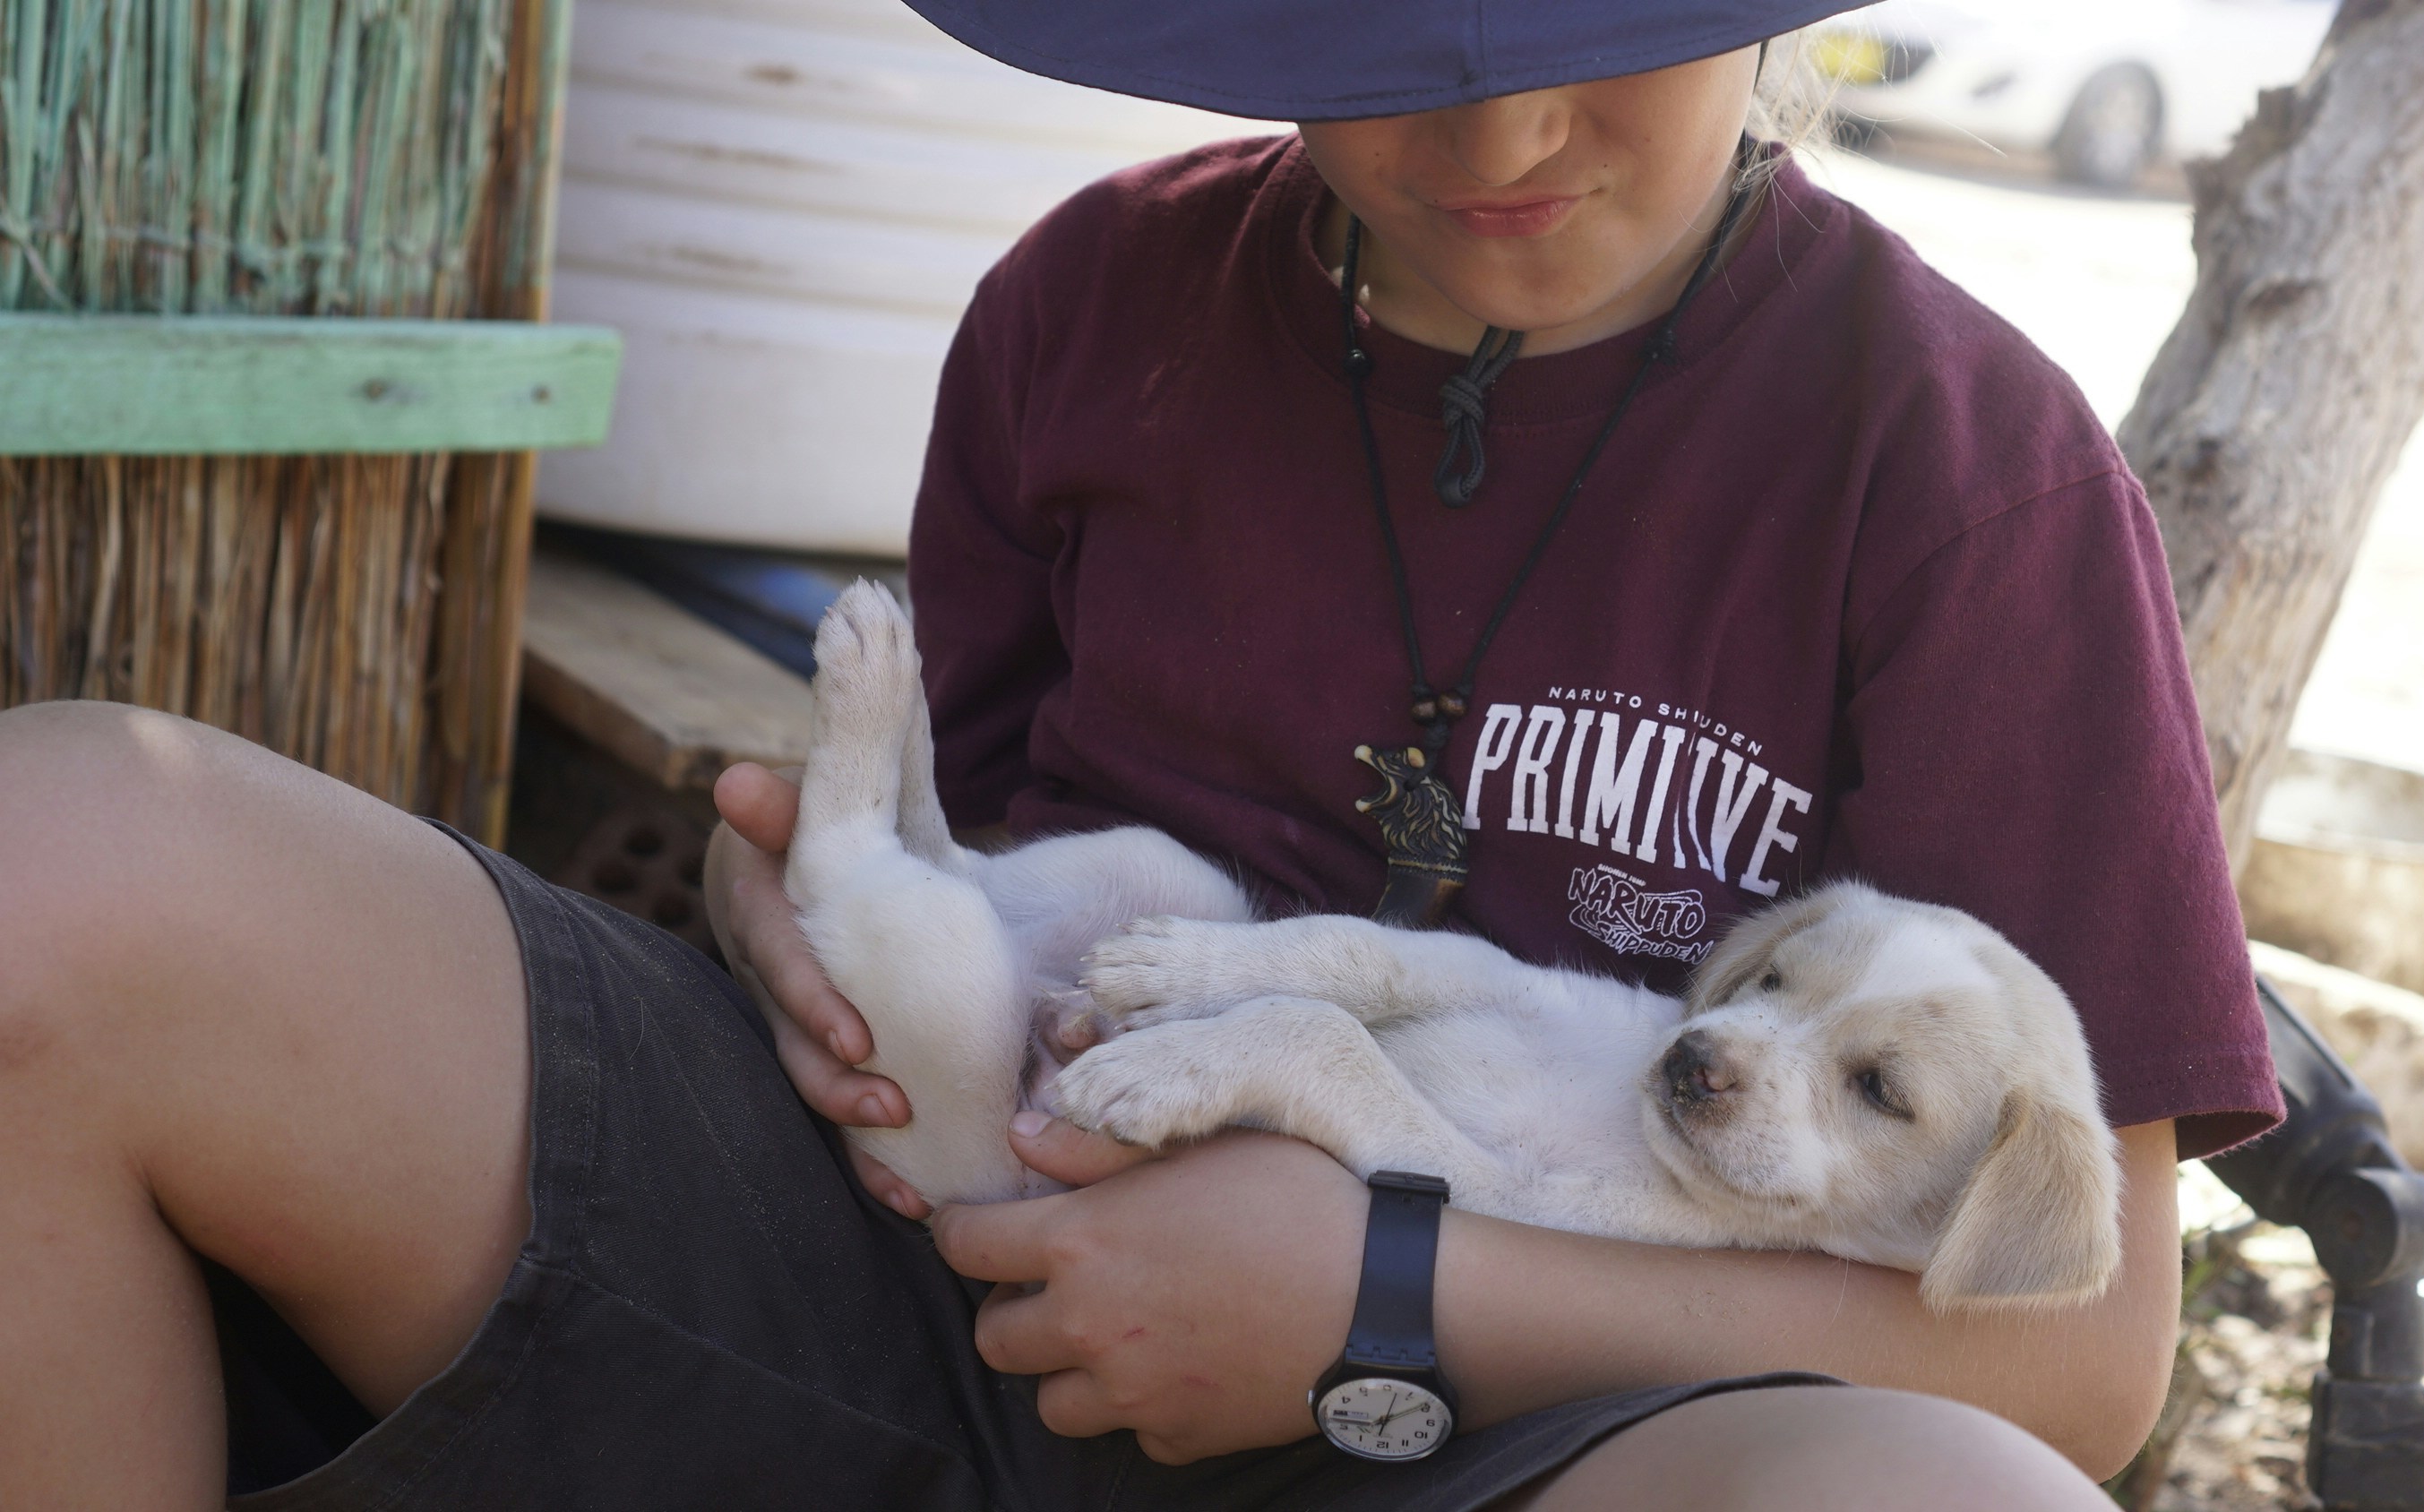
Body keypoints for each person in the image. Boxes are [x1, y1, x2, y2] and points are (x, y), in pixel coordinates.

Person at [0, 4, 2282, 1508]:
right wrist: (790, 883)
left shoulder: (1963, 473)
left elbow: (2082, 1360)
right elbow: (960, 856)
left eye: (1597, 8)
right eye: (1391, 17)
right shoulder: (1087, 306)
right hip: (928, 1239)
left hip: (1529, 1428)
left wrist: (1381, 1302)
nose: (1499, 124)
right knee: (67, 858)